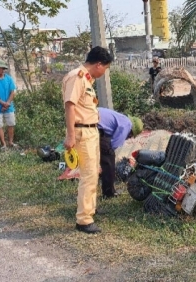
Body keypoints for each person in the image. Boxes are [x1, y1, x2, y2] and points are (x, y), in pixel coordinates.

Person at [63, 46, 113, 234]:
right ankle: (84, 219)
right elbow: (70, 106)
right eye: (105, 68)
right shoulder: (77, 77)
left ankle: (90, 209)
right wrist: (70, 135)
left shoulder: (85, 79)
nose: (104, 72)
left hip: (91, 131)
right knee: (88, 175)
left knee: (93, 172)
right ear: (99, 64)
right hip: (82, 132)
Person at [97, 107, 143, 198]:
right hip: (94, 125)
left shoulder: (122, 118)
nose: (129, 137)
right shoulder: (127, 124)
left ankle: (106, 189)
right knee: (109, 161)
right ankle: (109, 193)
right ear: (132, 130)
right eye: (130, 135)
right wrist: (110, 153)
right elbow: (114, 143)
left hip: (89, 121)